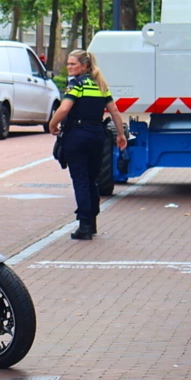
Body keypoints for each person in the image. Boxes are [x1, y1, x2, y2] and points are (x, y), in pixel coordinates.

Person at [48, 50, 127, 241]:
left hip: (77, 136)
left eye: (73, 64)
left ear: (85, 66)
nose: (69, 67)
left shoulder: (77, 84)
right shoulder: (100, 85)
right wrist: (121, 134)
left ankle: (84, 225)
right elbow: (114, 111)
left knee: (81, 180)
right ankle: (91, 222)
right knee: (92, 180)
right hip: (97, 137)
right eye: (68, 64)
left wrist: (52, 124)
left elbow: (64, 108)